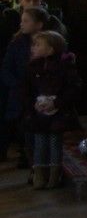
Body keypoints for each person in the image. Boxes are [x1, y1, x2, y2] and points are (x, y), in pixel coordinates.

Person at [20, 30, 79, 190]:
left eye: (38, 45)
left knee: (54, 142)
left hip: (58, 112)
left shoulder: (65, 67)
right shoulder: (32, 67)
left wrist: (56, 103)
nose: (33, 48)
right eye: (33, 45)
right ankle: (40, 174)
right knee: (39, 142)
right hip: (38, 113)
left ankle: (54, 174)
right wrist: (33, 104)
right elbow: (26, 90)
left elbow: (72, 88)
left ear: (51, 49)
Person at [1, 5, 51, 173]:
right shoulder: (16, 44)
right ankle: (34, 168)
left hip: (43, 94)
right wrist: (17, 84)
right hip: (21, 95)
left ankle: (44, 167)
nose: (21, 24)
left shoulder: (50, 43)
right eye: (21, 20)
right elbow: (6, 69)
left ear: (39, 24)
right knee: (27, 134)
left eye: (26, 21)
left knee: (43, 135)